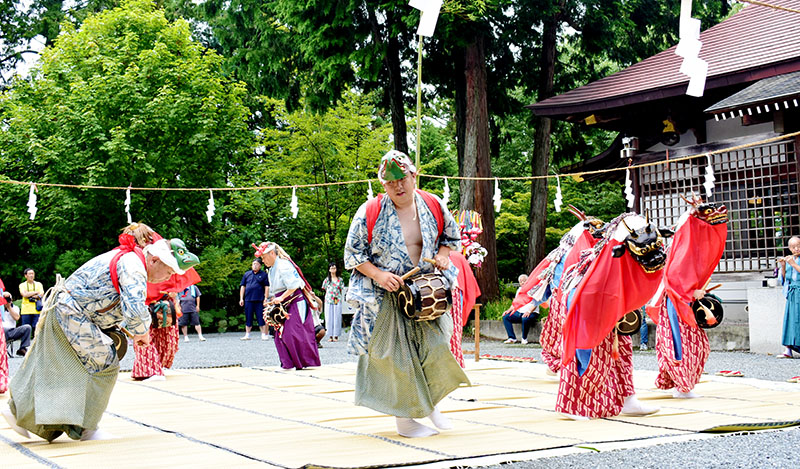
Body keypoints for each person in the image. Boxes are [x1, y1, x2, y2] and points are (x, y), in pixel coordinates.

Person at [1, 223, 199, 442]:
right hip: (71, 311)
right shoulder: (134, 266)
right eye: (169, 271)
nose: (167, 278)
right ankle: (87, 428)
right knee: (105, 363)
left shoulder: (131, 258)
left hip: (70, 310)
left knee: (63, 365)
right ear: (154, 260)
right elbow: (134, 305)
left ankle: (17, 408)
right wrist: (142, 333)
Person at [344, 150, 469, 438]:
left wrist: (442, 255)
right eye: (390, 183)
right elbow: (353, 254)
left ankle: (431, 404)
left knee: (438, 346)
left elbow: (451, 237)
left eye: (403, 179)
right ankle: (406, 420)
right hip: (389, 294)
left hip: (425, 292)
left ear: (414, 176)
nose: (398, 186)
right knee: (399, 359)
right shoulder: (370, 211)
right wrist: (378, 275)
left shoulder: (433, 204)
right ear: (382, 185)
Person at [254, 242, 320, 370]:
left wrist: (281, 298)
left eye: (263, 257)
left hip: (295, 301)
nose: (262, 260)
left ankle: (307, 363)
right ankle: (288, 364)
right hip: (283, 303)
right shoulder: (272, 268)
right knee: (279, 334)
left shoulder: (284, 265)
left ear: (272, 253)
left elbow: (294, 286)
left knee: (294, 333)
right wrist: (273, 300)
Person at [131, 292, 182, 381]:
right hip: (145, 306)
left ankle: (154, 369)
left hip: (164, 308)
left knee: (164, 340)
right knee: (144, 339)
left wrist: (173, 294)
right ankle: (149, 370)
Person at [777, 235, 800, 358]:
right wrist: (784, 266)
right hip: (792, 293)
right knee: (789, 320)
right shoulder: (790, 259)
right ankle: (788, 349)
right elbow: (785, 279)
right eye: (793, 247)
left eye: (798, 246)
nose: (796, 249)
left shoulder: (794, 260)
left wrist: (792, 263)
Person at [502, 274, 538, 344]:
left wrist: (529, 311)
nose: (523, 283)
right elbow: (516, 303)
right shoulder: (519, 290)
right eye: (521, 281)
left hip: (531, 312)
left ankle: (524, 338)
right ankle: (512, 337)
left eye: (524, 281)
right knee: (506, 317)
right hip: (519, 312)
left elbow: (536, 303)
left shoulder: (534, 289)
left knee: (525, 318)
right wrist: (508, 310)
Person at [239, 259, 270, 340]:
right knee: (248, 316)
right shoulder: (247, 274)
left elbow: (266, 287)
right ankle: (247, 334)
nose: (254, 266)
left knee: (261, 317)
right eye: (253, 264)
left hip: (259, 299)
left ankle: (263, 334)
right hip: (248, 299)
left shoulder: (264, 275)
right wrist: (241, 298)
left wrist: (266, 298)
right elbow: (243, 286)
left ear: (260, 265)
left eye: (256, 264)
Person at [322, 262, 344, 342]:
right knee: (329, 317)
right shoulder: (327, 280)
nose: (333, 270)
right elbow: (324, 288)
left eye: (334, 268)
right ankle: (330, 336)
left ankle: (336, 336)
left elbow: (341, 289)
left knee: (337, 317)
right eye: (331, 268)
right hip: (328, 300)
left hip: (337, 299)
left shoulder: (340, 280)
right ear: (329, 269)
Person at [18, 268, 44, 334]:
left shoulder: (39, 284)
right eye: (29, 274)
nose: (31, 275)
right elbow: (24, 294)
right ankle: (25, 344)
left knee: (37, 329)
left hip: (37, 310)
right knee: (25, 329)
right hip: (26, 311)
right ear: (25, 276)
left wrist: (30, 294)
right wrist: (35, 292)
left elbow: (41, 294)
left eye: (32, 274)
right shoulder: (22, 285)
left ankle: (37, 343)